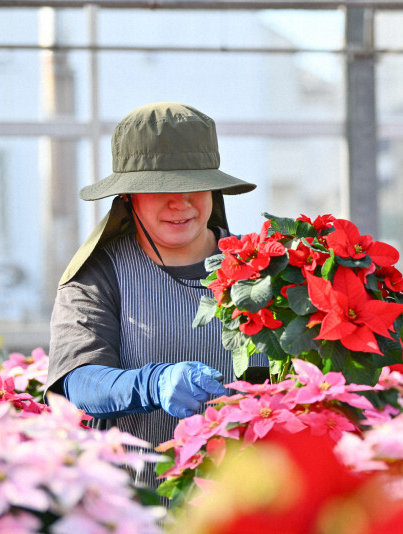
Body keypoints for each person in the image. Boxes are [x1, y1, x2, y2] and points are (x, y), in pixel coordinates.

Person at [46, 102, 258, 488]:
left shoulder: (263, 270)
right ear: (127, 197)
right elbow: (76, 382)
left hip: (251, 500)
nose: (180, 202)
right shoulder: (98, 276)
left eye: (194, 185)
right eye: (160, 188)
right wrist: (154, 383)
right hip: (139, 503)